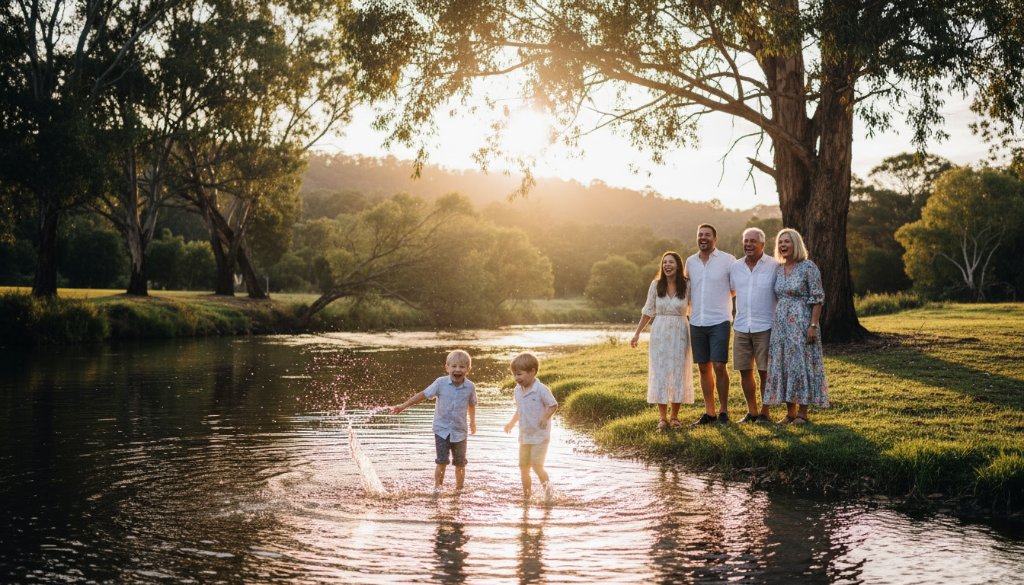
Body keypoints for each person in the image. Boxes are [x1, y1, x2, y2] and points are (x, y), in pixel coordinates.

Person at [763, 228, 829, 424]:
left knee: (801, 364)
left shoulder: (808, 267)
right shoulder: (779, 269)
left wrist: (813, 325)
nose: (783, 245)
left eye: (787, 242)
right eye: (780, 242)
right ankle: (790, 412)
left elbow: (817, 298)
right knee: (784, 365)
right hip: (781, 325)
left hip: (801, 322)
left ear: (796, 244)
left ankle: (803, 413)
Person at [390, 349, 478, 491]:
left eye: (462, 367)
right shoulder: (440, 383)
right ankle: (437, 489)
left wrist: (473, 422)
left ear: (468, 369)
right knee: (442, 462)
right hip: (442, 430)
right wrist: (403, 406)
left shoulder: (470, 387)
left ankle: (459, 490)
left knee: (460, 463)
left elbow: (472, 404)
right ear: (447, 368)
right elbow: (423, 395)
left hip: (460, 431)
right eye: (454, 366)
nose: (457, 370)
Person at [630, 251, 694, 431]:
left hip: (681, 330)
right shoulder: (656, 285)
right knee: (660, 372)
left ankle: (675, 417)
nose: (667, 265)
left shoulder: (687, 285)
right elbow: (648, 311)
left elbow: (696, 308)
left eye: (671, 262)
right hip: (659, 331)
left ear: (678, 265)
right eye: (664, 262)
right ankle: (663, 418)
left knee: (678, 372)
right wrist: (637, 334)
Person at [684, 224, 736, 426]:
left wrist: (718, 299)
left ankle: (723, 411)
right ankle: (710, 412)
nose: (703, 238)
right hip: (696, 320)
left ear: (715, 239)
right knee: (703, 367)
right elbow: (688, 289)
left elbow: (733, 289)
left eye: (707, 235)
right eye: (700, 235)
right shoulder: (690, 261)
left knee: (719, 365)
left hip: (719, 320)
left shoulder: (727, 260)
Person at [729, 227, 778, 423]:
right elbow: (731, 291)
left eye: (753, 241)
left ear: (762, 245)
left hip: (765, 326)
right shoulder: (736, 267)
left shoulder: (774, 265)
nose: (748, 244)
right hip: (741, 326)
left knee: (765, 371)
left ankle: (765, 412)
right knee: (744, 371)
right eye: (746, 241)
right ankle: (753, 412)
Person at [503, 352, 558, 498]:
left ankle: (549, 494)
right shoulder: (517, 390)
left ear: (532, 372)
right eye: (514, 374)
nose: (516, 378)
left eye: (519, 374)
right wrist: (511, 423)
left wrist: (545, 418)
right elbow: (519, 410)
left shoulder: (541, 389)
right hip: (525, 436)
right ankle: (526, 496)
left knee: (537, 466)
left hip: (540, 436)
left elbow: (553, 405)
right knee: (523, 468)